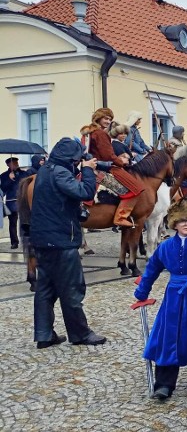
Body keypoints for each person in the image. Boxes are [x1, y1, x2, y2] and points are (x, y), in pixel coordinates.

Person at [134, 198, 187, 400]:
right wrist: (142, 292)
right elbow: (152, 270)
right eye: (182, 221)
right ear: (174, 223)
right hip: (173, 296)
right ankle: (164, 384)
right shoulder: (165, 247)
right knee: (168, 337)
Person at [31, 138, 106, 348]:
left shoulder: (45, 170)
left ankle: (44, 335)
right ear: (71, 159)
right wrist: (89, 170)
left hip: (42, 239)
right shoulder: (60, 173)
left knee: (46, 288)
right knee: (72, 288)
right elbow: (85, 192)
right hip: (61, 240)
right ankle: (80, 333)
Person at [81, 108, 145, 227]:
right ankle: (120, 217)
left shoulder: (89, 132)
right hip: (102, 168)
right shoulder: (100, 133)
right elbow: (108, 155)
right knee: (135, 188)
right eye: (105, 118)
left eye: (110, 119)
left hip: (89, 166)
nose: (108, 121)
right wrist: (121, 162)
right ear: (98, 117)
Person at [1, 157, 24, 248]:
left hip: (23, 201)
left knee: (25, 222)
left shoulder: (23, 173)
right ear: (8, 164)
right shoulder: (3, 175)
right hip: (11, 202)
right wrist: (10, 179)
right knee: (13, 223)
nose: (16, 164)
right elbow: (3, 189)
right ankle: (14, 242)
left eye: (17, 162)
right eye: (14, 162)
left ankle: (26, 240)